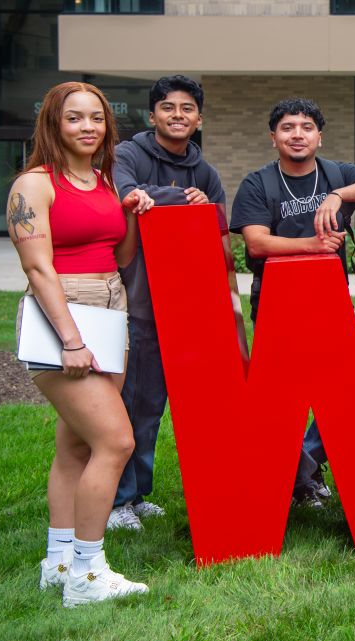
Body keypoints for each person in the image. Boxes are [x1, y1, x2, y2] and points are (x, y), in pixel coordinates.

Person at [8, 81, 153, 606]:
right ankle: (88, 576)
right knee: (116, 442)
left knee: (75, 446)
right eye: (75, 118)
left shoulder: (105, 181)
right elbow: (38, 267)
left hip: (111, 309)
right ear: (54, 124)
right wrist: (70, 340)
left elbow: (121, 254)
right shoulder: (33, 184)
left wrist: (132, 214)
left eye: (96, 118)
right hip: (63, 314)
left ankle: (59, 560)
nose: (87, 126)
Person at [230, 98, 355, 506]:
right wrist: (313, 245)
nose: (297, 134)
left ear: (319, 136)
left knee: (354, 391)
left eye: (305, 127)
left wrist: (336, 196)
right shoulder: (257, 184)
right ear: (273, 138)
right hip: (276, 303)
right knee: (276, 400)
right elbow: (256, 242)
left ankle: (305, 466)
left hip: (331, 304)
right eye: (287, 128)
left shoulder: (335, 173)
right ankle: (298, 478)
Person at [108, 74, 227, 531]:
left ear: (199, 118)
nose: (178, 116)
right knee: (136, 399)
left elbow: (218, 227)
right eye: (168, 108)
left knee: (158, 404)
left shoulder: (205, 170)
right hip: (141, 300)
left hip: (189, 304)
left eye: (187, 109)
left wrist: (197, 206)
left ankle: (138, 493)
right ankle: (120, 499)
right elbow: (128, 197)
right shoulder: (130, 154)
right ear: (152, 114)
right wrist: (183, 200)